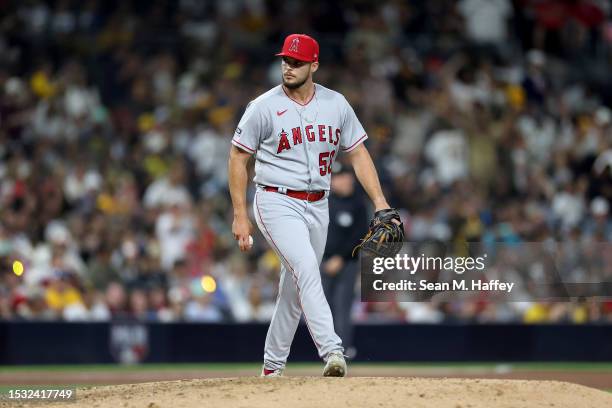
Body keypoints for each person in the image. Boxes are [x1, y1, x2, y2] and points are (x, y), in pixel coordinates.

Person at [228, 33, 394, 377]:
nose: (288, 67)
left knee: (293, 288)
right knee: (306, 268)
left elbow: (358, 153)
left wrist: (380, 202)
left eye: (297, 62)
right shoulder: (263, 106)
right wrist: (240, 215)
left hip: (319, 205)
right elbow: (237, 156)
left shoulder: (336, 104)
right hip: (275, 199)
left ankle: (272, 367)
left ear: (314, 65)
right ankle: (333, 350)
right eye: (285, 60)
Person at [322, 164, 368, 358]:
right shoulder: (322, 202)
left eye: (348, 176)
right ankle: (326, 351)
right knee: (323, 308)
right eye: (341, 177)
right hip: (322, 263)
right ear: (332, 181)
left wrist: (340, 258)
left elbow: (361, 236)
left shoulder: (357, 204)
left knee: (342, 307)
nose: (347, 180)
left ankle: (342, 351)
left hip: (347, 263)